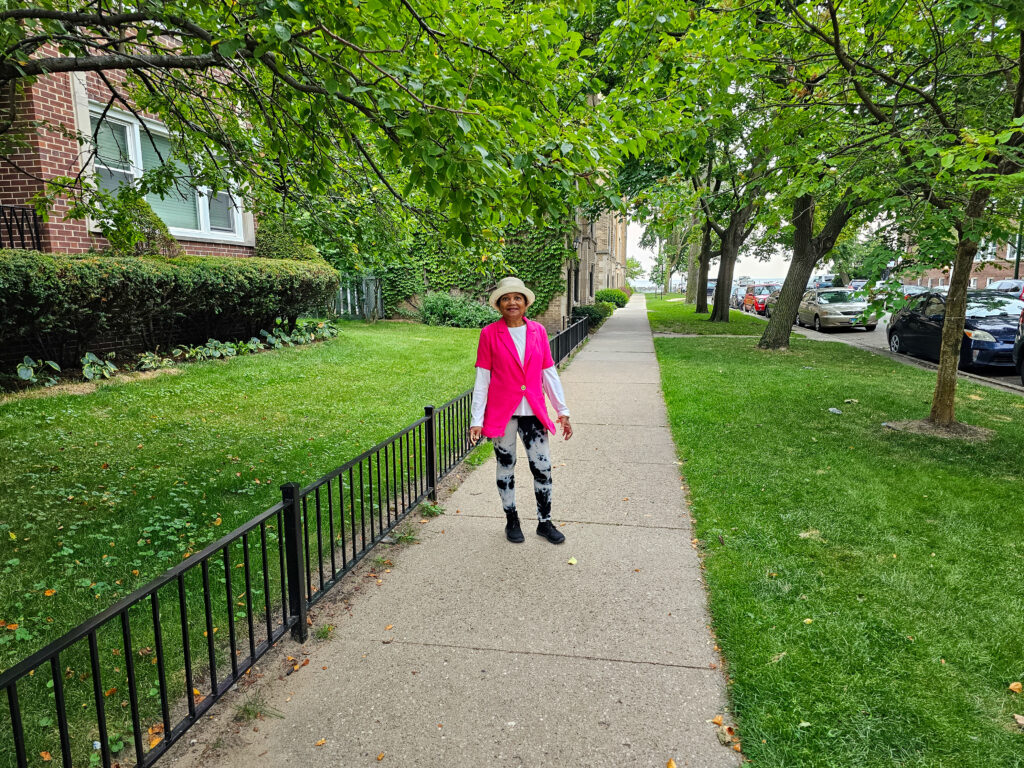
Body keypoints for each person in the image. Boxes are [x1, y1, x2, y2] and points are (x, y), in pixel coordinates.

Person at [469, 276, 573, 544]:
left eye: (517, 298)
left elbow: (548, 372)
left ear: (525, 303)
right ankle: (511, 519)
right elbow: (482, 379)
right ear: (499, 305)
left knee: (543, 467)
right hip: (503, 414)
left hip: (533, 413)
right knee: (506, 466)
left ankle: (544, 522)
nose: (512, 302)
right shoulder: (489, 334)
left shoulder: (538, 331)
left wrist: (562, 411)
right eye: (506, 298)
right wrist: (476, 420)